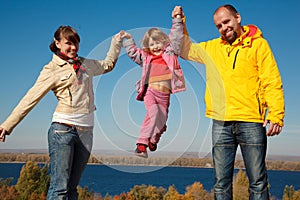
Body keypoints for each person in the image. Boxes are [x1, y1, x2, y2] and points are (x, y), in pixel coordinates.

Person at [172, 4, 285, 200]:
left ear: (238, 18)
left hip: (251, 121)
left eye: (226, 22)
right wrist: (179, 22)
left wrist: (276, 114)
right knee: (221, 183)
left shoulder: (259, 45)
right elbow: (184, 49)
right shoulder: (212, 48)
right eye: (219, 25)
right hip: (220, 122)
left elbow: (271, 80)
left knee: (257, 182)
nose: (224, 27)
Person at [0, 25, 124, 199]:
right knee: (60, 189)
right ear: (57, 43)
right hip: (63, 131)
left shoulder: (85, 64)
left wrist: (116, 42)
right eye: (68, 43)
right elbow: (30, 98)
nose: (73, 47)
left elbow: (108, 65)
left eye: (76, 44)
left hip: (86, 133)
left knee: (72, 189)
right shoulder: (51, 70)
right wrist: (7, 125)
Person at [121, 14, 186, 158]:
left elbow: (176, 36)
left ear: (164, 42)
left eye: (158, 43)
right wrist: (128, 39)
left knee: (161, 123)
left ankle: (153, 139)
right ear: (147, 46)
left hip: (165, 94)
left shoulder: (170, 52)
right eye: (151, 44)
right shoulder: (146, 57)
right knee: (154, 113)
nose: (155, 46)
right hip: (150, 91)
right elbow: (133, 53)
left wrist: (177, 19)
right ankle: (141, 145)